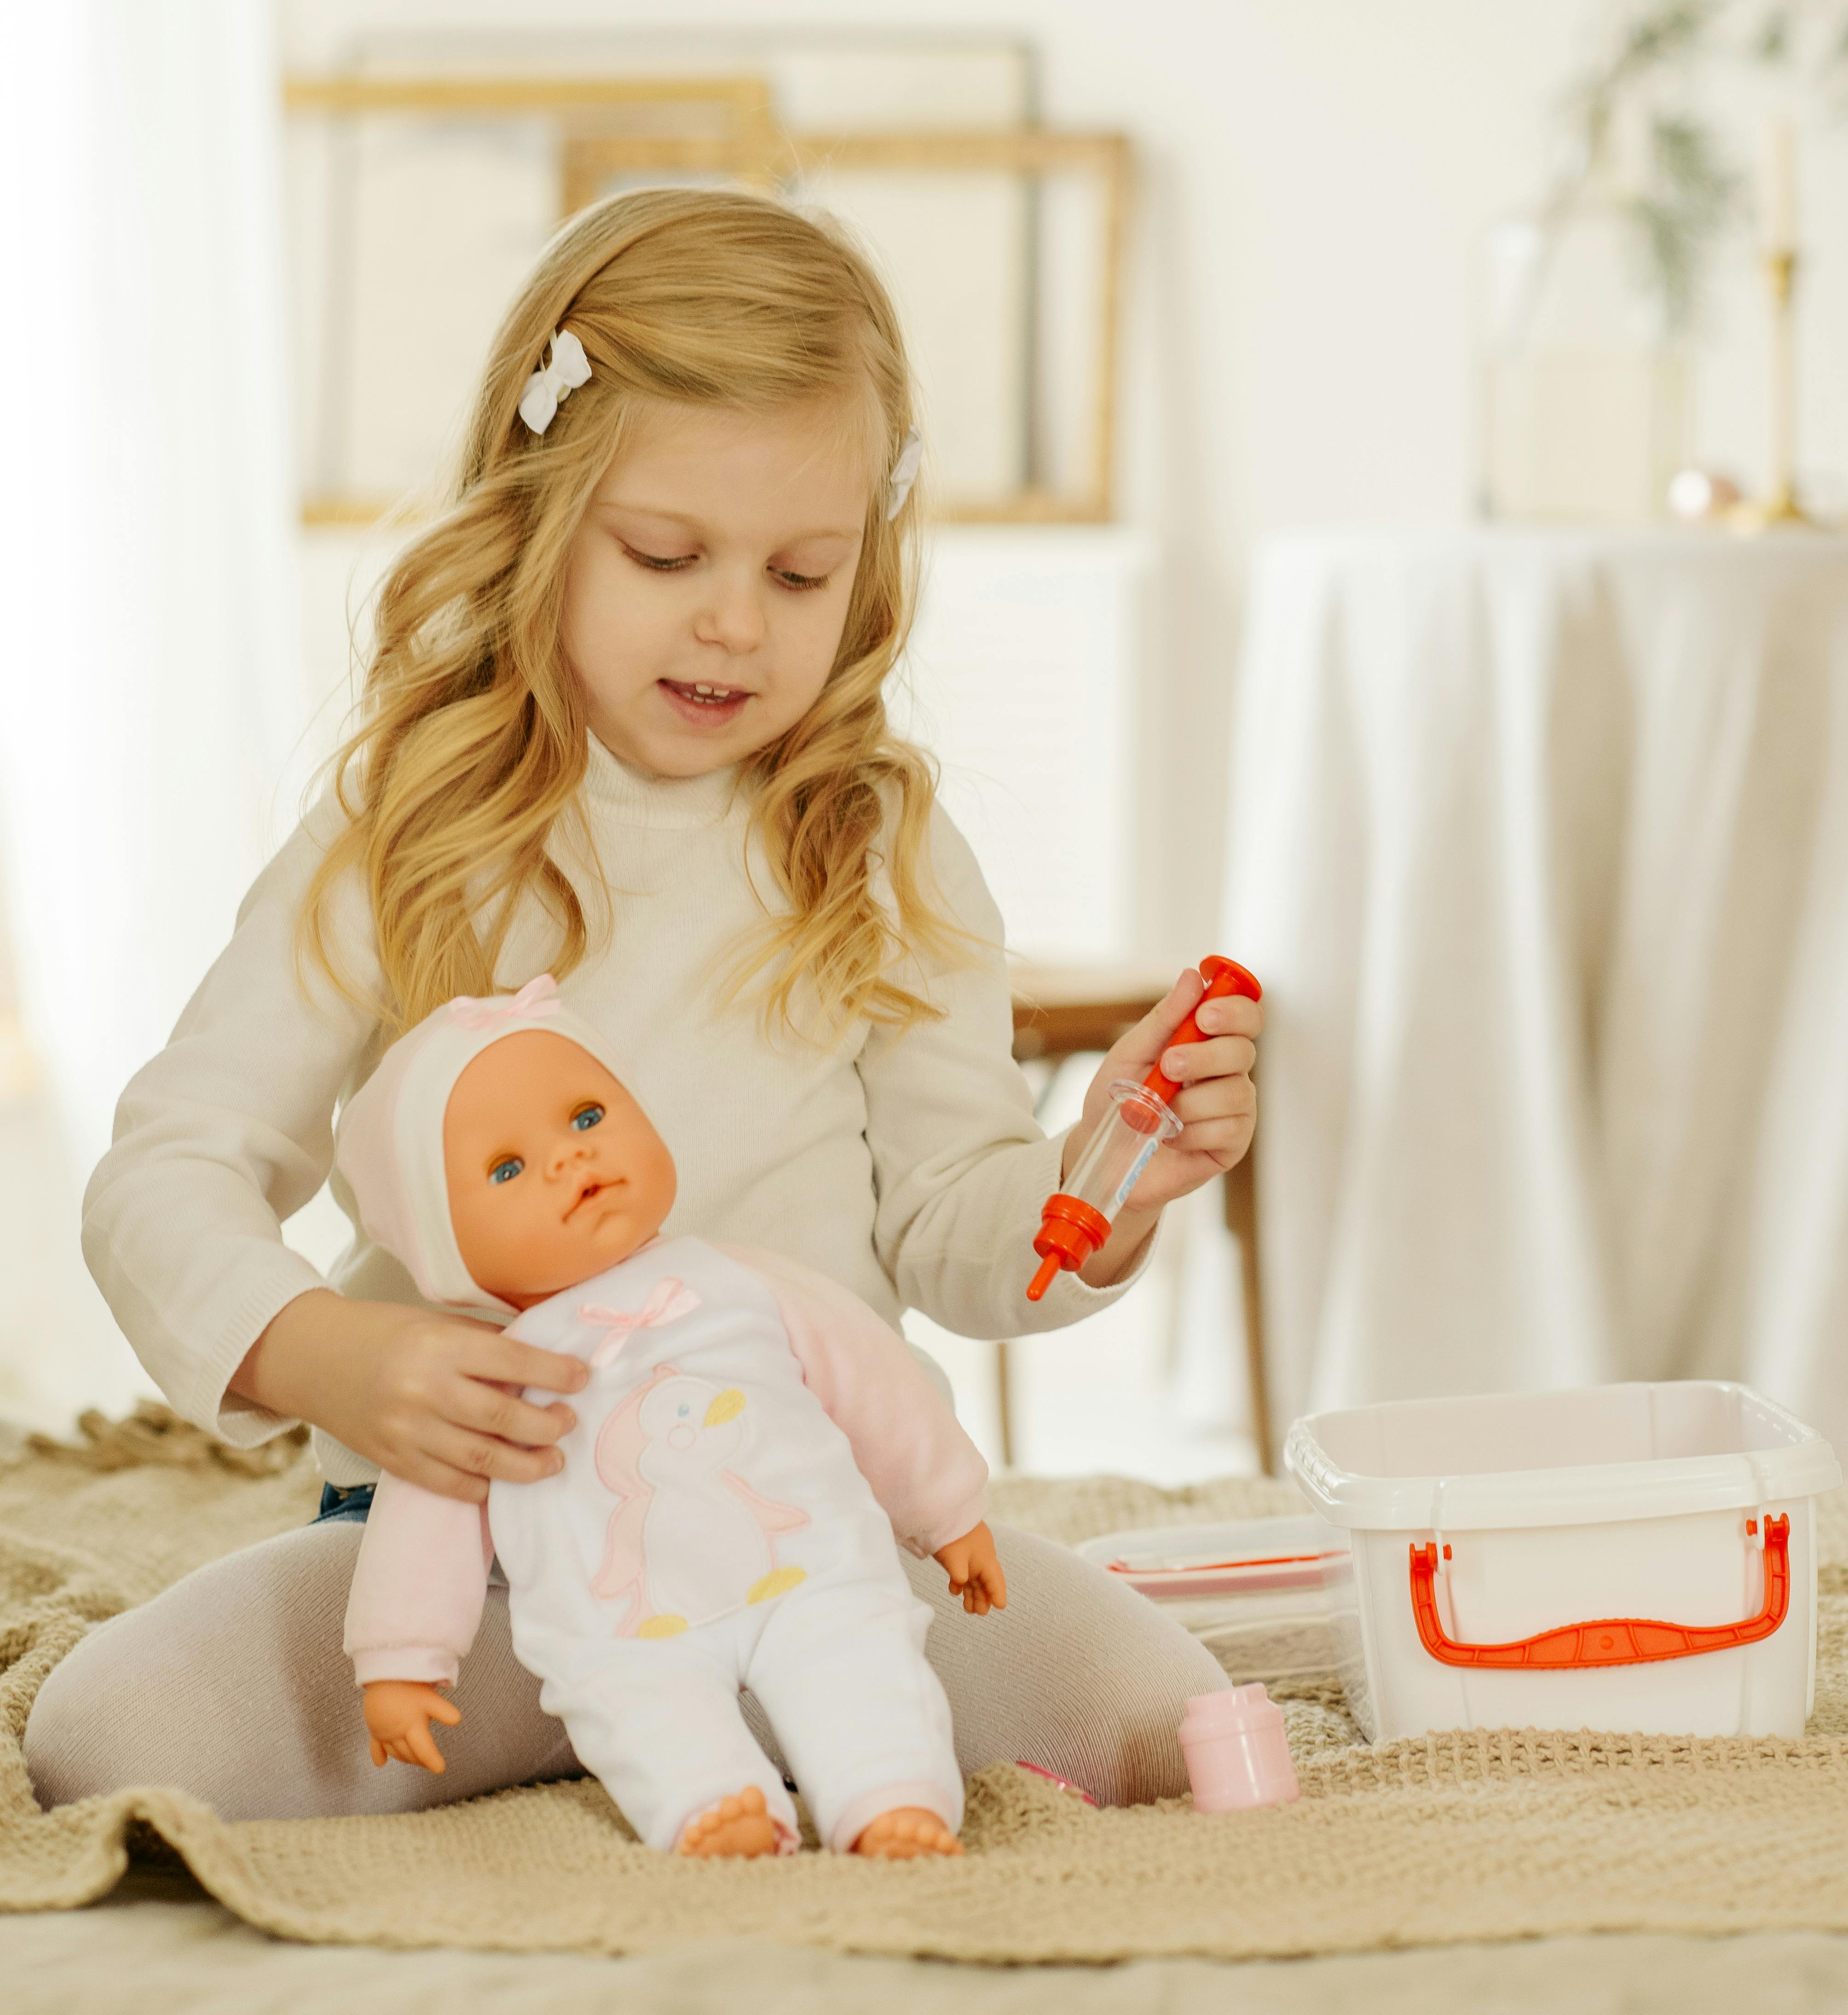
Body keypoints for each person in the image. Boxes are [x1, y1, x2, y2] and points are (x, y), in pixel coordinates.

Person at [27, 187, 1260, 1823]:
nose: (734, 621)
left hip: (808, 1542)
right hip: (472, 1569)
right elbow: (166, 1170)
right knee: (112, 1735)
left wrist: (1100, 1182)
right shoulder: (407, 828)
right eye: (667, 554)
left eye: (804, 571)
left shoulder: (879, 846)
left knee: (1157, 1714)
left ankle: (735, 1715)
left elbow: (963, 1227)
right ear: (538, 509)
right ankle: (617, 1713)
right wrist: (330, 1353)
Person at [339, 975, 1000, 1859]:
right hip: (624, 1627)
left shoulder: (739, 1280)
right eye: (507, 1168)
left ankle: (890, 1797)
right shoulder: (489, 1374)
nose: (572, 1161)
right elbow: (427, 1509)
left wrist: (947, 1508)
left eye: (586, 1118)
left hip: (811, 1571)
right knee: (636, 1707)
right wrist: (401, 1653)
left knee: (862, 1661)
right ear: (442, 1249)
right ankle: (710, 1807)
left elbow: (871, 1380)